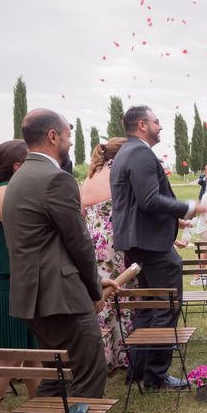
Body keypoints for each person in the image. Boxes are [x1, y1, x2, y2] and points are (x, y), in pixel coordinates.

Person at [2, 109, 119, 413]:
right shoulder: (56, 179)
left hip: (32, 298)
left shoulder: (19, 178)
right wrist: (94, 288)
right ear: (53, 136)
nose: (71, 141)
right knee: (89, 374)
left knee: (57, 376)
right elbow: (79, 242)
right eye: (68, 134)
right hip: (62, 297)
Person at [110, 105, 207, 389]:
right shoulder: (139, 153)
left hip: (138, 242)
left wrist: (176, 219)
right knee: (166, 305)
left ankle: (138, 370)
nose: (160, 125)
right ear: (142, 125)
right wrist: (189, 207)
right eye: (157, 120)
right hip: (152, 246)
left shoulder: (124, 153)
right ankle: (156, 374)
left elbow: (137, 203)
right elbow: (149, 200)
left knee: (148, 307)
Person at [0, 141, 39, 413]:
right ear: (17, 168)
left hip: (21, 283)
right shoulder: (4, 192)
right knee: (6, 362)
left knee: (36, 359)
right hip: (4, 284)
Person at [80, 137, 132, 371]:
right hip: (115, 242)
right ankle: (125, 353)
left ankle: (104, 356)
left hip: (92, 243)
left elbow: (80, 213)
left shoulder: (89, 178)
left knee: (101, 296)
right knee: (122, 294)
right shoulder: (118, 175)